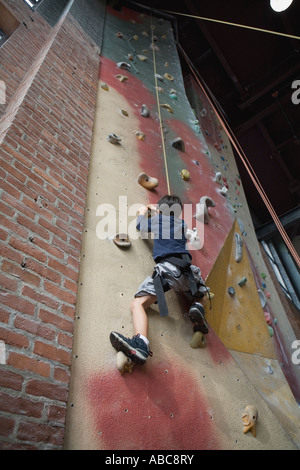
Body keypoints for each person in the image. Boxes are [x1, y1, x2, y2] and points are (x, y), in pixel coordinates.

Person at [110, 195, 210, 365]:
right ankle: (198, 305)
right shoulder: (182, 224)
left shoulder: (158, 221)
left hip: (168, 272)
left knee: (138, 304)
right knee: (200, 292)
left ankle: (141, 343)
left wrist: (142, 212)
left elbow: (141, 226)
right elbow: (170, 222)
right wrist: (159, 211)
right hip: (188, 273)